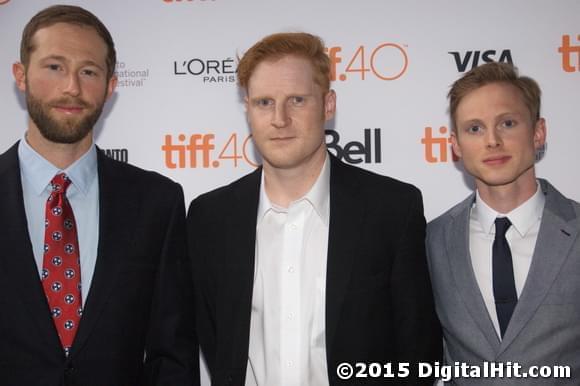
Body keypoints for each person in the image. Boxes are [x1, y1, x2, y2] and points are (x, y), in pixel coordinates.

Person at [187, 32, 441, 385]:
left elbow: (418, 354)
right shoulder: (209, 218)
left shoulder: (392, 210)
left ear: (328, 104)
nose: (279, 118)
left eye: (296, 100)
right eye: (264, 102)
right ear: (247, 108)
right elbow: (216, 344)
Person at [0, 5, 198, 385]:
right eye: (54, 67)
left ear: (110, 85)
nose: (71, 86)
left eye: (88, 71)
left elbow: (173, 355)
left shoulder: (157, 202)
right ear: (20, 76)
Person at [427, 62, 580, 384]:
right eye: (475, 129)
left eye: (507, 123)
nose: (492, 141)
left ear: (538, 132)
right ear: (455, 145)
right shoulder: (433, 240)